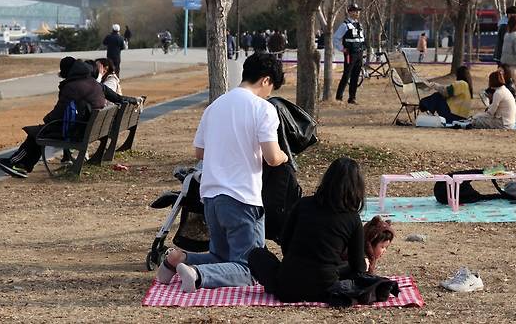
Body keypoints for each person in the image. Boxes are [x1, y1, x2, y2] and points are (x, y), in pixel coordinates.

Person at [155, 53, 288, 292]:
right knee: (250, 269)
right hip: (242, 197)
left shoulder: (215, 106)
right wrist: (285, 156)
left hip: (212, 197)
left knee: (221, 258)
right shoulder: (263, 109)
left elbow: (199, 151)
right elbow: (272, 156)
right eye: (272, 88)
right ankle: (197, 275)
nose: (270, 94)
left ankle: (179, 260)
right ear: (266, 80)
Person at [247, 157, 367, 303]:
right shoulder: (353, 219)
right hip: (326, 289)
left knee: (256, 254)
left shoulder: (303, 204)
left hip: (287, 288)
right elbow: (358, 268)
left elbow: (285, 243)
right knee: (339, 266)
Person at [0, 57, 106, 178]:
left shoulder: (72, 86)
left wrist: (47, 119)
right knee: (41, 131)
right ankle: (23, 165)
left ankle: (16, 163)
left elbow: (59, 112)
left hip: (76, 132)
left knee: (36, 133)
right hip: (88, 128)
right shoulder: (92, 82)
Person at [334, 3, 366, 105]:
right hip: (350, 54)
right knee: (347, 75)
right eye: (355, 11)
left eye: (358, 11)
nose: (357, 13)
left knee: (356, 75)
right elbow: (336, 38)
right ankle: (339, 97)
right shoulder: (345, 25)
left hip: (359, 53)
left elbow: (360, 38)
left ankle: (352, 98)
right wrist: (342, 48)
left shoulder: (359, 25)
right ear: (350, 12)